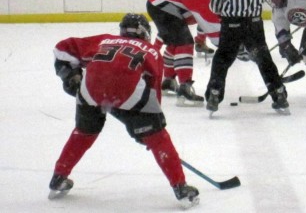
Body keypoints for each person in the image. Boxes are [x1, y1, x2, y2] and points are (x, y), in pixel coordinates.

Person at [48, 13, 199, 208]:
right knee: (159, 138)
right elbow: (153, 90)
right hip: (128, 92)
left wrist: (70, 75)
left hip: (89, 89)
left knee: (84, 132)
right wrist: (150, 130)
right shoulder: (152, 51)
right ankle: (181, 188)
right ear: (144, 32)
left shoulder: (103, 40)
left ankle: (58, 177)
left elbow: (61, 49)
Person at [205, 0, 290, 115]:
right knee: (263, 58)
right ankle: (279, 94)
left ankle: (215, 93)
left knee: (223, 58)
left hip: (232, 22)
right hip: (254, 22)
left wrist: (221, 11)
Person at [147, 0, 220, 106]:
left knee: (175, 43)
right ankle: (184, 86)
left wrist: (155, 47)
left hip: (162, 2)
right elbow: (210, 23)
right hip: (165, 4)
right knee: (185, 43)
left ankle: (168, 80)